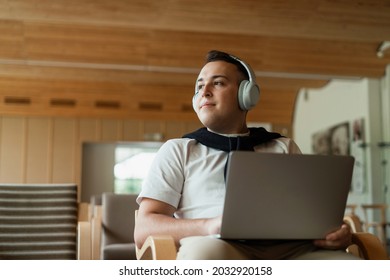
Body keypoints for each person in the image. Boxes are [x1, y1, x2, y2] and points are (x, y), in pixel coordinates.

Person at [134, 50, 358, 260]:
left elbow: (312, 213)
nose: (204, 92)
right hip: (216, 244)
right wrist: (209, 226)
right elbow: (144, 228)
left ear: (246, 94)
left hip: (293, 248)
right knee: (205, 257)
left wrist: (337, 232)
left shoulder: (283, 146)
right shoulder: (178, 150)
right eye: (199, 86)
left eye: (218, 82)